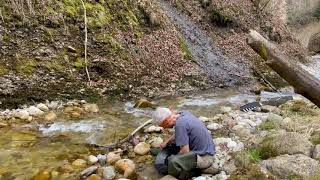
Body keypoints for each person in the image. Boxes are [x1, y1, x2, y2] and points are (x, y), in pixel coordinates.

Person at [152, 107, 217, 179]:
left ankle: (187, 174)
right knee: (172, 146)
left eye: (163, 126)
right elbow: (179, 133)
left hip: (205, 158)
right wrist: (167, 142)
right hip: (208, 149)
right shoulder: (183, 114)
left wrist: (172, 158)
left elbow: (185, 151)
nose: (164, 128)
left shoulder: (180, 125)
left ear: (167, 121)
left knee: (173, 161)